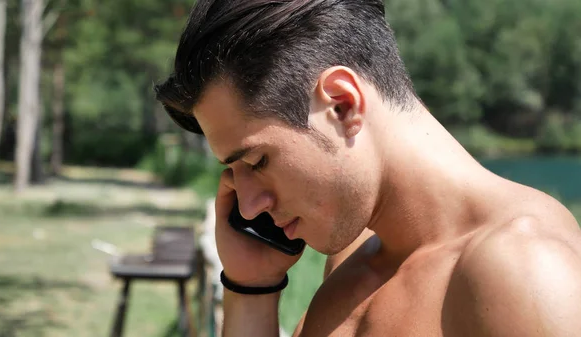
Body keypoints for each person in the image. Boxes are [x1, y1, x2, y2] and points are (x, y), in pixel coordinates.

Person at [154, 1, 581, 336]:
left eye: (257, 160)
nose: (248, 208)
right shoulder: (352, 256)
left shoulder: (524, 272)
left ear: (342, 104)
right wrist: (251, 287)